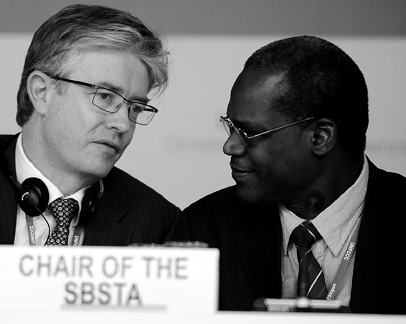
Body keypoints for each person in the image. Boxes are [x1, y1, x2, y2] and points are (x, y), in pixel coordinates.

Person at [0, 4, 180, 307]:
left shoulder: (158, 222)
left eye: (135, 107)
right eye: (106, 96)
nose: (123, 123)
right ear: (42, 92)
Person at [171, 35, 406, 314]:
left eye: (250, 133)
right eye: (230, 127)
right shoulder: (205, 229)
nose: (230, 146)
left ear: (320, 137)